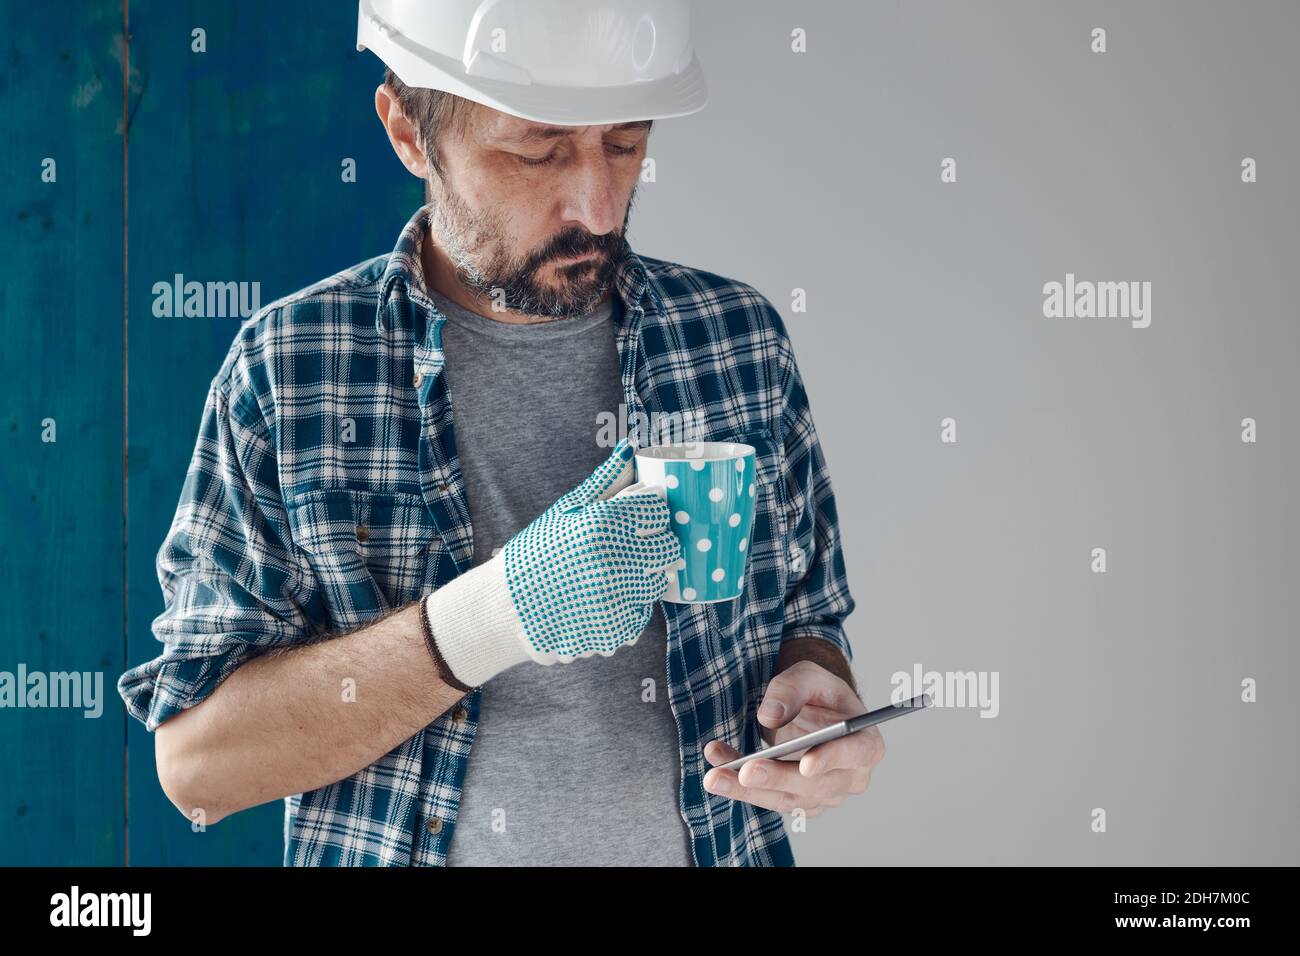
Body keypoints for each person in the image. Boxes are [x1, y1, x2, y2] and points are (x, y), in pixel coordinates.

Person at [117, 0, 883, 866]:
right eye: (538, 150)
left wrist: (819, 701)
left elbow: (811, 620)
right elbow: (196, 765)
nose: (597, 206)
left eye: (626, 144)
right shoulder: (294, 367)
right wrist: (493, 616)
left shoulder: (737, 339)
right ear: (408, 129)